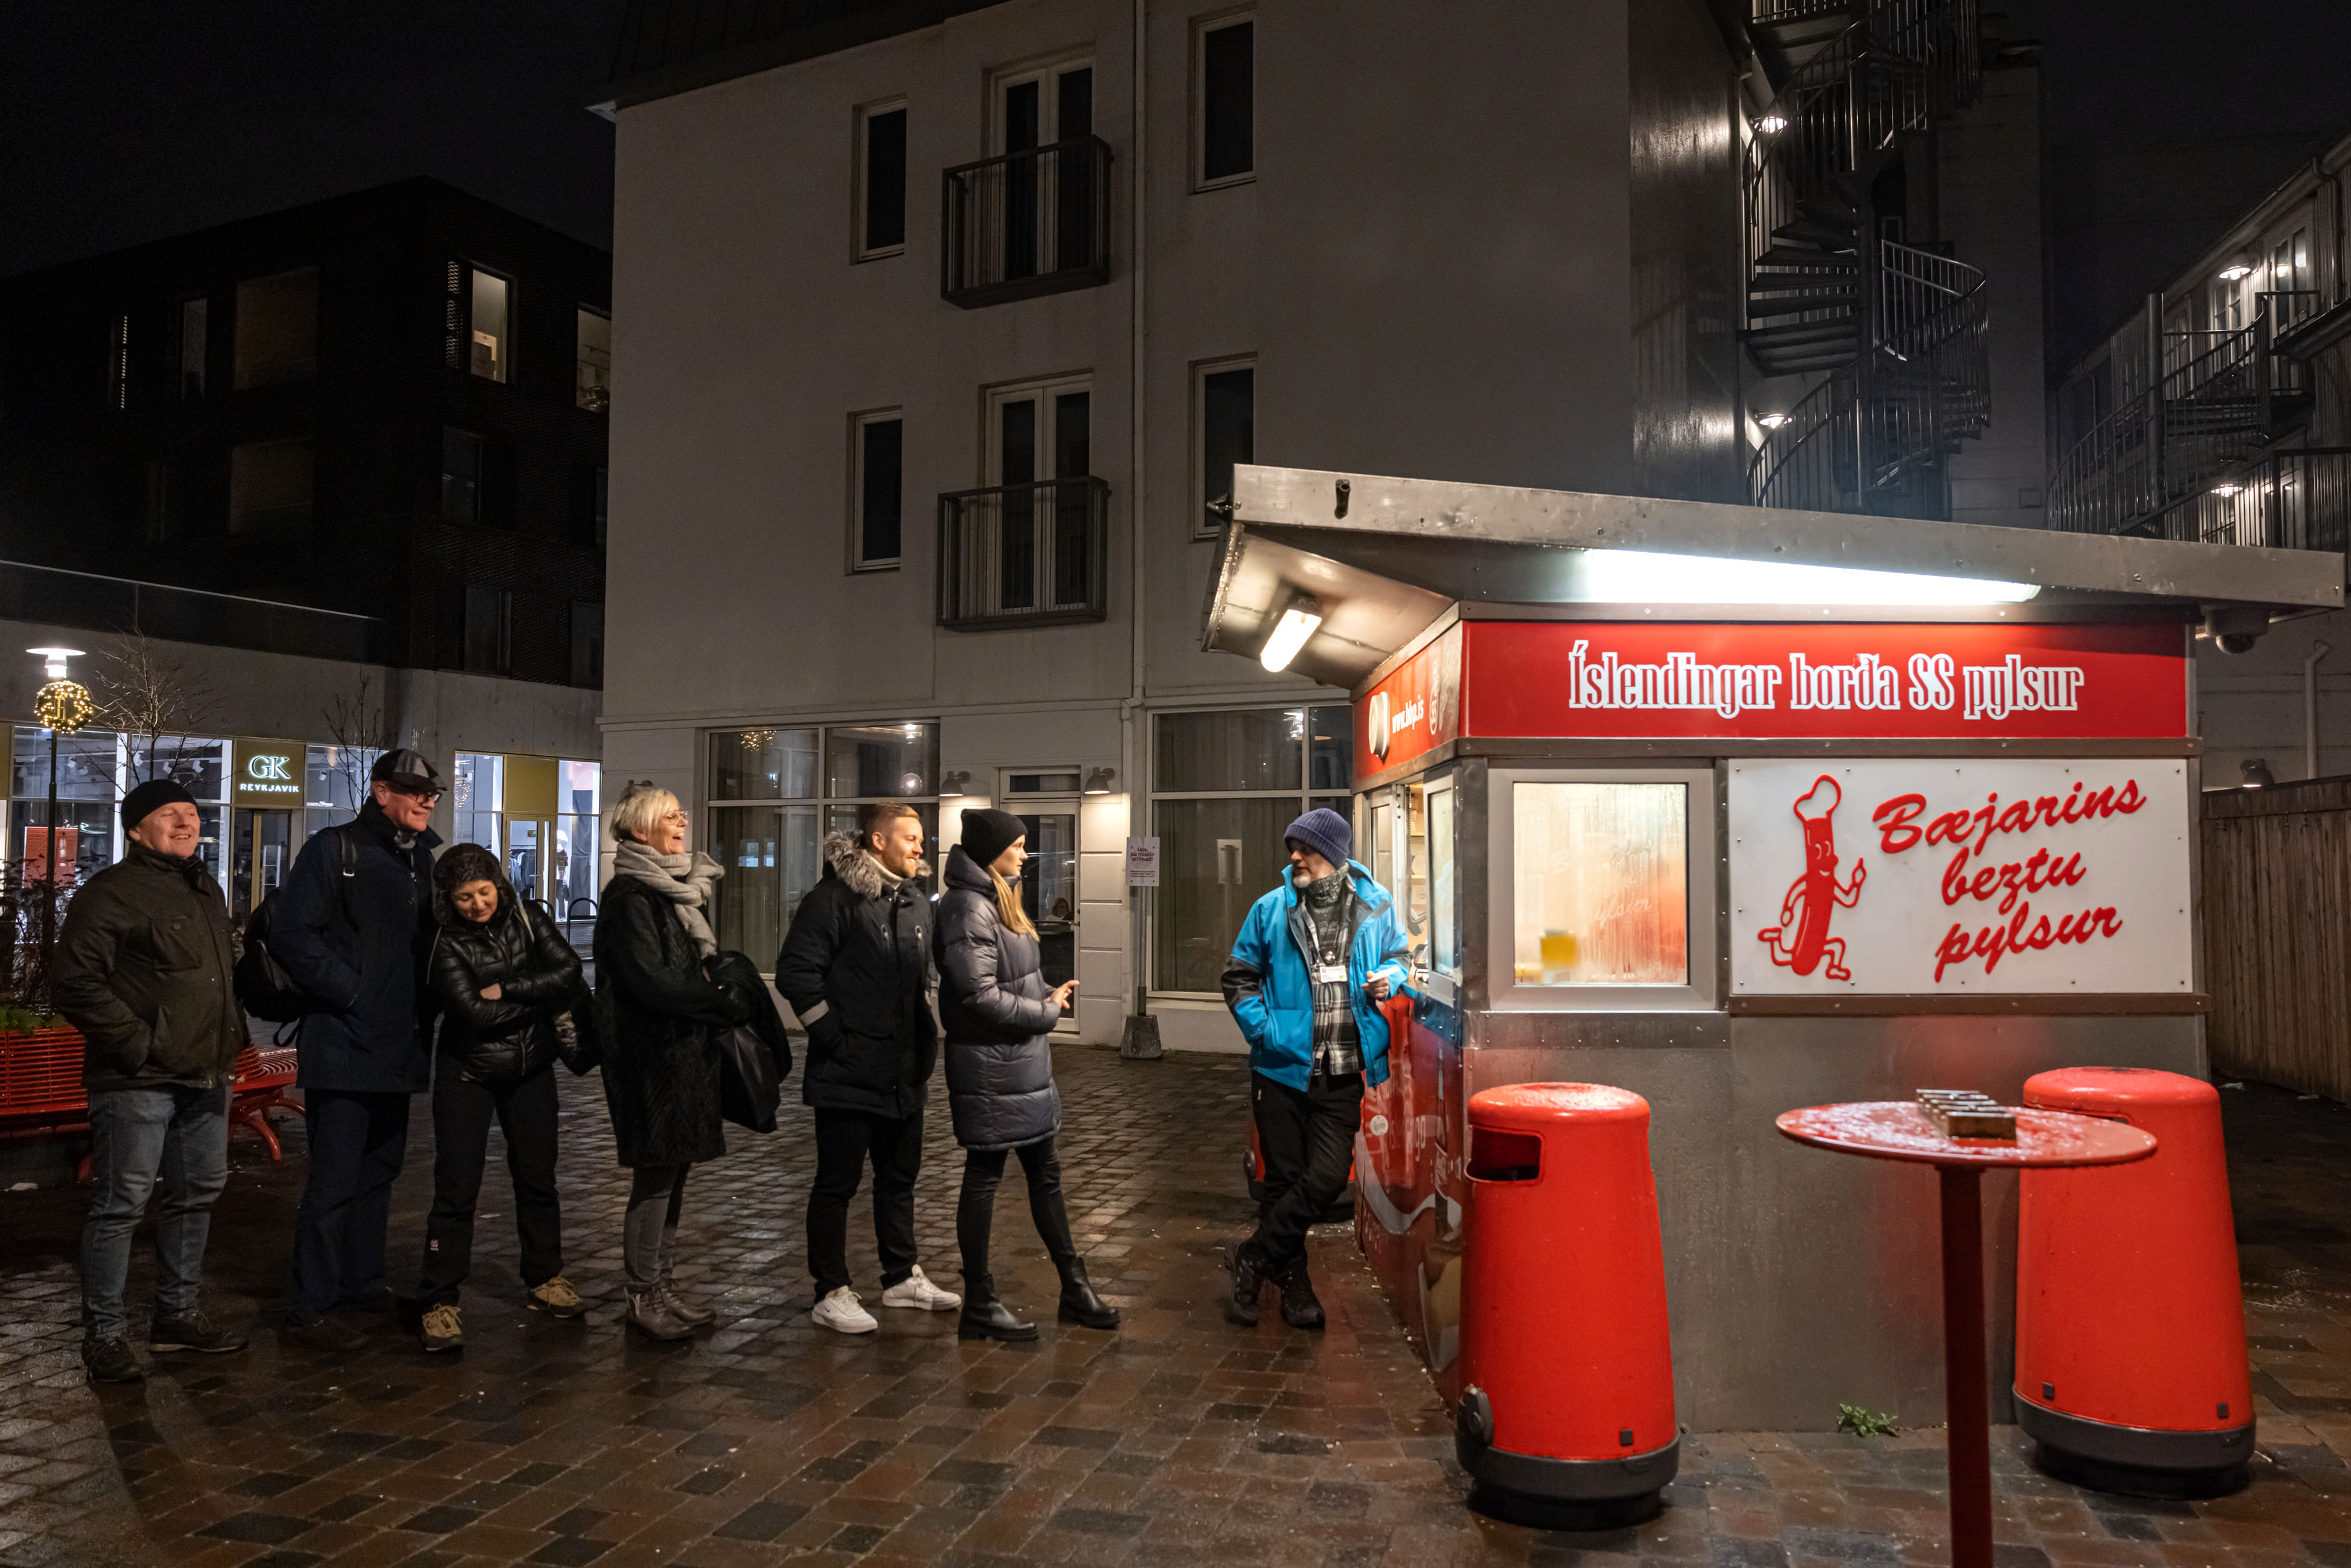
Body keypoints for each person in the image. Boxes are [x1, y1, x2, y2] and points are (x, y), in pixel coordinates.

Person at [54, 778, 252, 1382]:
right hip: (136, 1077)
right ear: (136, 827)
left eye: (192, 814)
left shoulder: (202, 886)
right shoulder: (110, 893)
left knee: (197, 1193)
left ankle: (176, 1315)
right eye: (171, 814)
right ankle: (106, 1335)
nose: (187, 823)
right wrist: (141, 1042)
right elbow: (75, 982)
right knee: (121, 1205)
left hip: (204, 1073)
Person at [272, 748, 444, 1353]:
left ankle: (362, 1282)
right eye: (414, 789)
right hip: (344, 1044)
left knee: (379, 1173)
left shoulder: (422, 859)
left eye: (432, 793)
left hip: (398, 1045)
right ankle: (310, 1305)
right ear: (380, 792)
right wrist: (352, 990)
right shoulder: (334, 850)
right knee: (335, 1179)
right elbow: (292, 933)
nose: (426, 800)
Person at [1220, 807, 1411, 1330]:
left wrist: (1389, 979)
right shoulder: (1271, 908)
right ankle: (1295, 1283)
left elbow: (1403, 957)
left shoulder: (1375, 906)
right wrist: (1266, 1033)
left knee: (1326, 1177)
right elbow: (1237, 977)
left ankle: (1254, 1256)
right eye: (1292, 849)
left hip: (1345, 1066)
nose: (1294, 857)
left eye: (1304, 848)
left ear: (1333, 852)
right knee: (1282, 1179)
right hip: (1281, 1069)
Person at [933, 810, 1119, 1342]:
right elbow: (978, 995)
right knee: (985, 1176)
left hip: (1020, 1065)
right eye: (1015, 845)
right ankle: (980, 1301)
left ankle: (1073, 1285)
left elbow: (1012, 979)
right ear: (990, 850)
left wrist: (1044, 996)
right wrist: (1044, 1014)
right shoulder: (968, 906)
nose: (1024, 853)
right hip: (991, 1068)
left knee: (1045, 1174)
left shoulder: (999, 898)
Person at [775, 802, 961, 1333]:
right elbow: (796, 972)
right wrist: (834, 1036)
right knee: (837, 1184)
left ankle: (901, 1275)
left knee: (899, 1178)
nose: (920, 847)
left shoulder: (914, 900)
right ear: (878, 841)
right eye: (910, 837)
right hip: (848, 1073)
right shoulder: (833, 899)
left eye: (922, 838)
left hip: (904, 1071)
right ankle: (830, 1290)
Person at [414, 843, 589, 1351]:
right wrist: (536, 1000)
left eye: (484, 891)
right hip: (467, 1076)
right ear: (449, 898)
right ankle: (439, 1299)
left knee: (538, 1179)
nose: (477, 904)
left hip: (531, 1069)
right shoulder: (444, 942)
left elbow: (569, 972)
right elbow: (473, 1014)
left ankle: (545, 1276)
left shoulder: (529, 917)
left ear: (500, 885)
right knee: (456, 1188)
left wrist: (506, 987)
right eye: (465, 896)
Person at [595, 785, 749, 1340]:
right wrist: (715, 1000)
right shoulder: (630, 897)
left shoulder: (670, 892)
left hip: (681, 1053)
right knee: (656, 1176)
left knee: (673, 1171)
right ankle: (642, 1293)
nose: (683, 820)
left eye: (684, 812)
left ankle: (661, 1283)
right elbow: (650, 981)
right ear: (640, 830)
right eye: (671, 815)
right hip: (649, 1058)